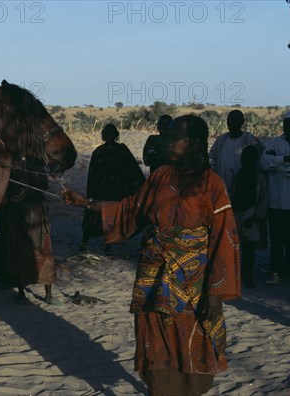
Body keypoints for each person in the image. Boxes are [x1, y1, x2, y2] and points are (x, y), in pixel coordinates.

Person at [63, 115, 240, 396]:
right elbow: (131, 209)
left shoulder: (212, 184)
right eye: (167, 136)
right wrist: (87, 203)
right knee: (155, 337)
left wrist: (216, 293)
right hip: (153, 275)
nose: (167, 142)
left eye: (175, 137)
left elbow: (224, 238)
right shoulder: (160, 176)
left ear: (193, 143)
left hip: (194, 282)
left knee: (193, 338)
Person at [0, 158, 60, 305]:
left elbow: (44, 185)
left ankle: (48, 294)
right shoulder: (11, 162)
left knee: (44, 251)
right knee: (19, 251)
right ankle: (22, 293)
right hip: (17, 213)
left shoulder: (35, 162)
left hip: (35, 213)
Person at [260, 109, 290, 289]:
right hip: (276, 201)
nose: (288, 128)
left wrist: (277, 167)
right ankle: (276, 272)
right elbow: (263, 162)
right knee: (277, 240)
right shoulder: (274, 142)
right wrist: (286, 159)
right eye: (286, 125)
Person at [81, 124, 145, 253]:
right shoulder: (121, 150)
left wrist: (91, 193)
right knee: (110, 215)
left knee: (94, 214)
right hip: (115, 190)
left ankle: (84, 244)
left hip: (99, 190)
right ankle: (107, 246)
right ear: (116, 136)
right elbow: (132, 170)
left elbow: (92, 175)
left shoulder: (98, 151)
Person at [231, 145, 267, 288]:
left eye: (249, 159)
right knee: (238, 247)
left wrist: (256, 216)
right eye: (244, 158)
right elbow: (234, 193)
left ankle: (249, 276)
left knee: (250, 248)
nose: (246, 161)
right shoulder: (239, 173)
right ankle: (239, 275)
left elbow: (263, 199)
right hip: (238, 213)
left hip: (251, 213)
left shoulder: (259, 177)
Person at [208, 110, 260, 196]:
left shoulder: (249, 139)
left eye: (235, 121)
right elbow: (211, 158)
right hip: (222, 187)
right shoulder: (222, 139)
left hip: (243, 188)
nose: (231, 124)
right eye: (229, 121)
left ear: (241, 122)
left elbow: (255, 158)